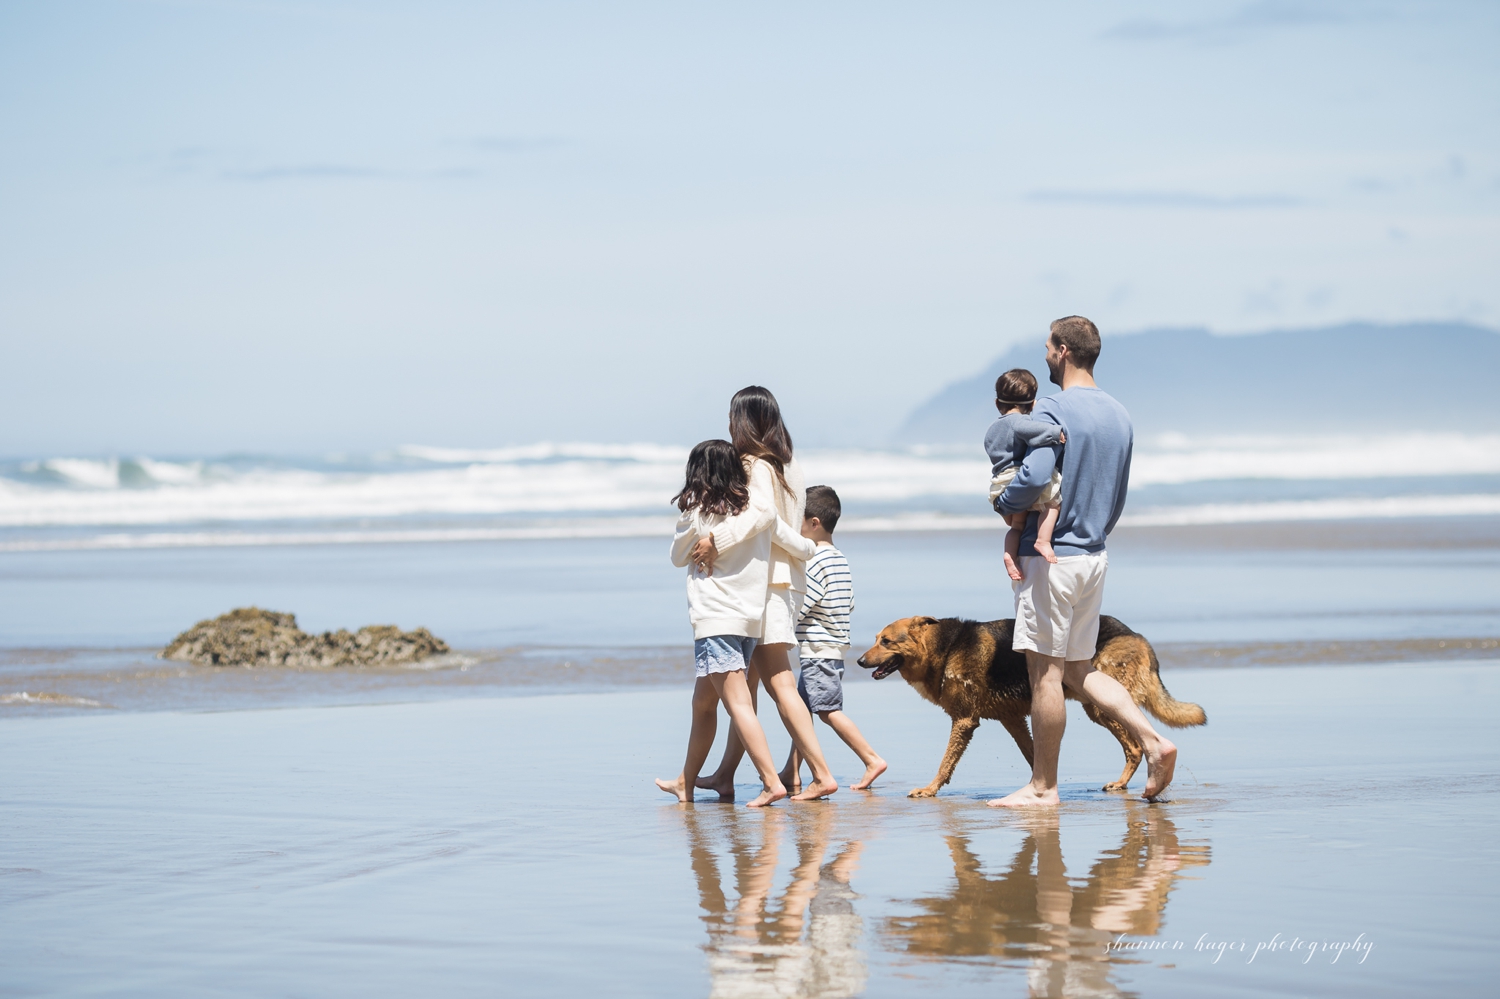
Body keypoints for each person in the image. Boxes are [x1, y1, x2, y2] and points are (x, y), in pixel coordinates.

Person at [989, 316, 1178, 807]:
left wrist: (1005, 505)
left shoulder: (1049, 408)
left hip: (1049, 560)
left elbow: (1032, 476)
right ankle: (1154, 741)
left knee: (1045, 676)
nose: (1046, 356)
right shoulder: (1119, 414)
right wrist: (1094, 533)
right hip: (1093, 554)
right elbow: (1116, 493)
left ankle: (1042, 787)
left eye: (1049, 348)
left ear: (1064, 351)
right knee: (1078, 670)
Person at [689, 386, 840, 802]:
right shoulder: (790, 466)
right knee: (749, 687)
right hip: (787, 582)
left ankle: (822, 773)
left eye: (732, 416)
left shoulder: (754, 465)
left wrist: (716, 539)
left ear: (744, 422)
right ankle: (724, 775)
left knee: (778, 683)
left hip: (766, 584)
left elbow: (761, 516)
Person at [656, 439, 808, 808]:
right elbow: (785, 535)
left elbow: (677, 557)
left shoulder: (699, 515)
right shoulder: (756, 511)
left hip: (715, 620)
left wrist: (688, 515)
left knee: (738, 705)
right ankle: (687, 782)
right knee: (703, 702)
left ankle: (771, 782)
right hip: (749, 622)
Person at [780, 485, 887, 793]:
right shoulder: (839, 558)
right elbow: (848, 601)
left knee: (828, 710)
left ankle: (871, 759)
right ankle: (791, 771)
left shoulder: (814, 560)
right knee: (802, 710)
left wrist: (781, 623)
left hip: (818, 649)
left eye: (796, 521)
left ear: (814, 523)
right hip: (833, 646)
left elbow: (804, 603)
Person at [985, 368, 1066, 580]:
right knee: (1053, 503)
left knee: (1016, 526)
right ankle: (1043, 540)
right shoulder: (1020, 422)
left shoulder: (992, 429)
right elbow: (1032, 432)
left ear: (997, 403)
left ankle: (1009, 554)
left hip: (999, 483)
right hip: (1016, 477)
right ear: (1032, 405)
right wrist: (1055, 433)